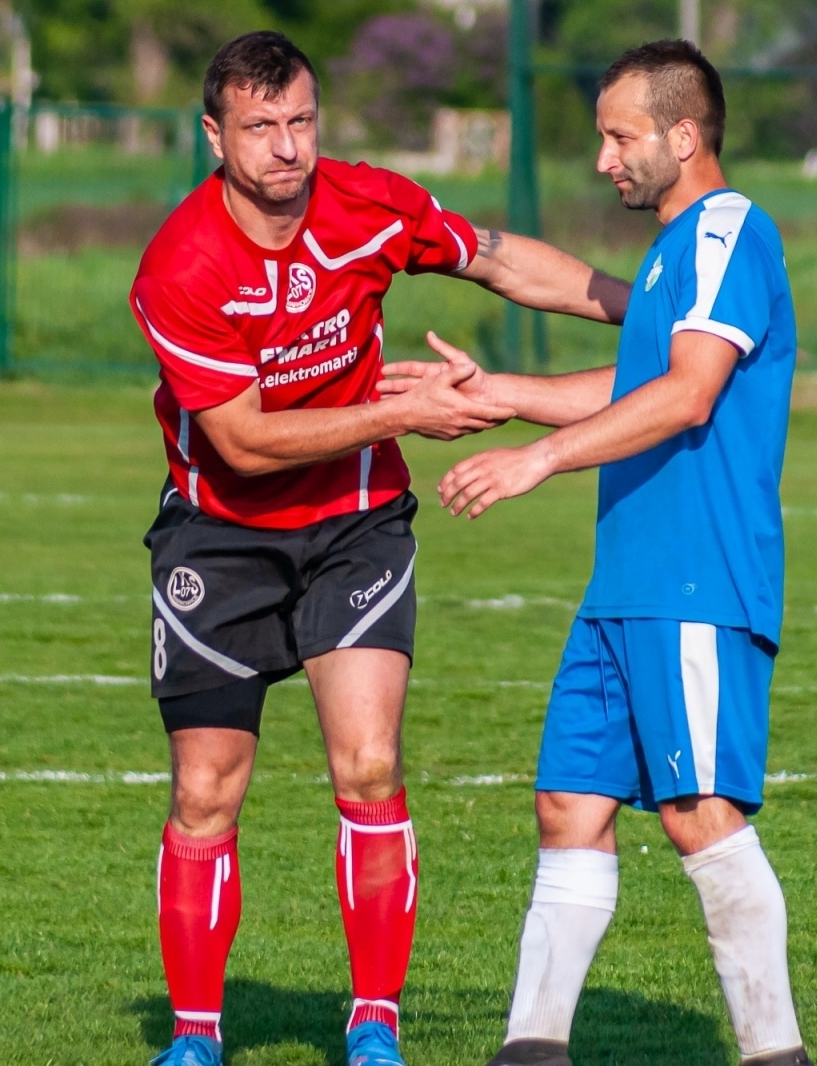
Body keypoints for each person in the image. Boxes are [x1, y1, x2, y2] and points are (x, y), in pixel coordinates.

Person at [128, 30, 630, 1066]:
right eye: (260, 127)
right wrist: (401, 415)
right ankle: (192, 1035)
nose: (286, 148)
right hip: (219, 533)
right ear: (213, 134)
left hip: (354, 526)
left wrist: (648, 309)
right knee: (205, 789)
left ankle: (373, 1022)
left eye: (301, 121)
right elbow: (244, 440)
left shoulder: (368, 206)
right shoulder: (181, 264)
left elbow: (493, 257)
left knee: (367, 764)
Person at [383, 38, 812, 1066]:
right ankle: (532, 1050)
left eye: (620, 137)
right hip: (626, 586)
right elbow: (623, 367)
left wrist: (537, 461)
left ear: (682, 134)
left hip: (696, 582)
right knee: (569, 803)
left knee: (698, 814)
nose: (604, 158)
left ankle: (775, 1052)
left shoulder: (727, 232)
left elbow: (686, 393)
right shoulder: (671, 250)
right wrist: (498, 396)